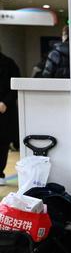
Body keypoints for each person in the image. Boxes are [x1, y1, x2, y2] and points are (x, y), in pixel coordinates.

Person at [0, 45, 21, 185]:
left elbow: (15, 87)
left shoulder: (9, 64)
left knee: (2, 144)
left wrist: (5, 103)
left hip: (4, 112)